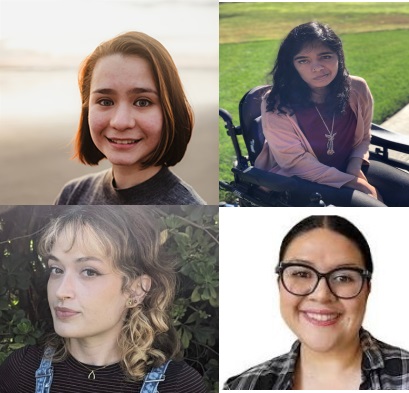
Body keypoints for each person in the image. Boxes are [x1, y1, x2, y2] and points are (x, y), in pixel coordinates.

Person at [0, 206, 208, 392]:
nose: (61, 291)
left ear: (136, 290)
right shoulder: (21, 372)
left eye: (89, 272)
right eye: (57, 269)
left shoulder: (178, 386)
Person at [224, 215, 409, 390]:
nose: (322, 295)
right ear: (279, 284)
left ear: (367, 288)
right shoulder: (244, 386)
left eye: (343, 277)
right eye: (302, 274)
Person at [254, 21, 409, 206]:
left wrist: (353, 169)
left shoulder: (357, 88)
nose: (317, 67)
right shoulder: (277, 102)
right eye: (303, 60)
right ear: (291, 65)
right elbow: (294, 162)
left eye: (325, 56)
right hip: (301, 178)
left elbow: (363, 138)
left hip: (347, 164)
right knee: (375, 209)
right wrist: (356, 184)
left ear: (339, 56)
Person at [54, 31, 205, 205]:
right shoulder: (72, 195)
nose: (120, 122)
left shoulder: (190, 209)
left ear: (170, 110)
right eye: (105, 101)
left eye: (142, 102)